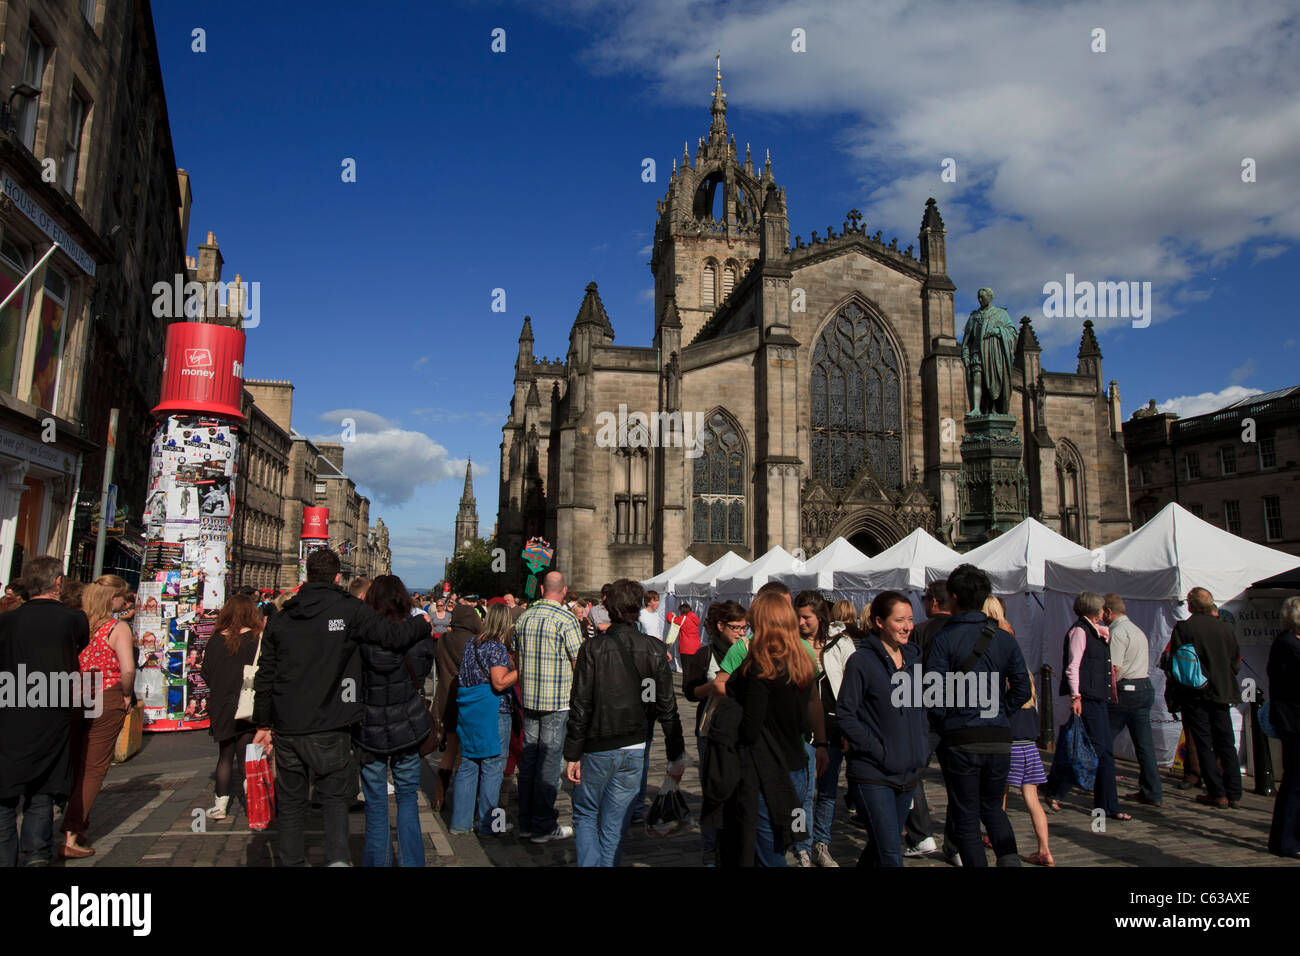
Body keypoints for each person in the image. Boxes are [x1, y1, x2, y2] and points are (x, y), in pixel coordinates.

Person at [251, 549, 432, 867]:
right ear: (337, 577)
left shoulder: (282, 617)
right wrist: (423, 625)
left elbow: (265, 674)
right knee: (335, 799)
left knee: (292, 804)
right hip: (330, 722)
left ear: (306, 574)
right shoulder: (349, 611)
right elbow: (392, 636)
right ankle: (338, 860)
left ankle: (293, 861)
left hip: (289, 724)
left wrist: (263, 724)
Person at [564, 578, 686, 866]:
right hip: (635, 747)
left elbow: (580, 704)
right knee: (615, 822)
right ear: (640, 607)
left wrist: (572, 753)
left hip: (597, 746)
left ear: (607, 606)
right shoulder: (655, 650)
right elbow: (668, 708)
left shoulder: (592, 649)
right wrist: (675, 755)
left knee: (585, 813)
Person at [927, 565, 1030, 867]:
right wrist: (999, 713)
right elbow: (1022, 689)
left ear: (954, 597)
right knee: (994, 809)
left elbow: (932, 694)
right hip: (998, 738)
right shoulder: (1004, 638)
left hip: (961, 738)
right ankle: (1010, 861)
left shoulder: (944, 639)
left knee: (967, 817)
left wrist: (948, 721)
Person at [720, 592, 828, 867]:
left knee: (768, 852)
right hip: (798, 763)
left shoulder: (761, 668)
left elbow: (750, 729)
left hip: (768, 769)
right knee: (781, 842)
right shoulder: (802, 660)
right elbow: (810, 709)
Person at [0, 557, 86, 866]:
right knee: (43, 789)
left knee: (6, 793)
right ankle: (36, 854)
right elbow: (79, 646)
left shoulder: (7, 621)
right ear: (58, 583)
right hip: (53, 710)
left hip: (10, 709)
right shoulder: (73, 620)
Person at [835, 591, 929, 866]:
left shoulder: (913, 661)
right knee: (891, 854)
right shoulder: (861, 662)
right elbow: (845, 714)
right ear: (879, 622)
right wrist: (877, 749)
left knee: (880, 848)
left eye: (910, 619)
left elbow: (920, 710)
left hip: (908, 774)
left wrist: (921, 749)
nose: (908, 626)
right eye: (899, 620)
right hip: (873, 773)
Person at [357, 575, 435, 866]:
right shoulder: (416, 633)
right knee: (406, 797)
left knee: (376, 803)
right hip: (408, 724)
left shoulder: (361, 636)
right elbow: (426, 666)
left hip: (370, 727)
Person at [60, 573, 135, 859]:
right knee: (94, 766)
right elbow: (127, 669)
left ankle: (75, 821)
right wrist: (127, 694)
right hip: (107, 694)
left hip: (77, 694)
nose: (124, 601)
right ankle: (72, 832)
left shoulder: (79, 623)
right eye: (122, 596)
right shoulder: (117, 628)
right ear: (112, 598)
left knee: (77, 761)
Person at [1042, 591, 1127, 820]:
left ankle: (1101, 802)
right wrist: (1076, 696)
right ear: (1093, 610)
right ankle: (1064, 791)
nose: (1103, 612)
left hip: (1098, 697)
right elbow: (1073, 665)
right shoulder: (1080, 631)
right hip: (1087, 698)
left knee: (1091, 749)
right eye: (1101, 609)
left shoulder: (1096, 632)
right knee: (1094, 751)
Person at [514, 570, 584, 843]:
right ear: (563, 591)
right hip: (556, 702)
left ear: (542, 589)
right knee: (550, 764)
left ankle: (526, 822)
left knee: (529, 760)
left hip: (529, 700)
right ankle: (543, 825)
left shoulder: (525, 617)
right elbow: (579, 662)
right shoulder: (566, 619)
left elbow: (517, 658)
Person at [685, 600, 747, 866]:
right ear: (720, 626)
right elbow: (690, 692)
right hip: (710, 729)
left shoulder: (747, 650)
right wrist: (714, 685)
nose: (741, 633)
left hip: (739, 729)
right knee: (713, 793)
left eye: (744, 628)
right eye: (735, 627)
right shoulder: (705, 654)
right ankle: (710, 851)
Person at [1171, 587, 1243, 810]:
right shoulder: (1225, 628)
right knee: (1226, 742)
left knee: (1204, 743)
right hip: (1221, 692)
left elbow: (1176, 664)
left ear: (1191, 605)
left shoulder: (1185, 628)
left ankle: (1217, 792)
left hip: (1196, 693)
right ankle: (1234, 792)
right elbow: (1235, 663)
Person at [451, 604, 518, 836]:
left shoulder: (471, 644)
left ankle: (460, 823)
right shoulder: (496, 648)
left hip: (470, 710)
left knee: (468, 765)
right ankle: (490, 825)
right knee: (493, 767)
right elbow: (499, 682)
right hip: (493, 711)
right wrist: (520, 670)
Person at [200, 593, 263, 821]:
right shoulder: (256, 638)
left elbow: (205, 672)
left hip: (221, 703)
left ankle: (220, 805)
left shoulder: (216, 639)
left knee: (225, 756)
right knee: (247, 756)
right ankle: (255, 806)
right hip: (246, 702)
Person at [803, 590, 852, 867]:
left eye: (806, 617)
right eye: (797, 617)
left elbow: (852, 684)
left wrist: (849, 726)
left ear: (820, 617)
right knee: (805, 790)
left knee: (829, 789)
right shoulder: (793, 644)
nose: (800, 623)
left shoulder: (841, 643)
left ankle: (821, 843)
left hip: (834, 724)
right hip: (803, 727)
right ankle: (803, 844)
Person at [1104, 593, 1162, 807]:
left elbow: (1115, 668)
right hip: (1144, 685)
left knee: (1103, 739)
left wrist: (1107, 690)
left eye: (1103, 613)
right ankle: (1153, 791)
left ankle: (1098, 784)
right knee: (1144, 744)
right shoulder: (1136, 630)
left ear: (1109, 612)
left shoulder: (1117, 632)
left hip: (1126, 689)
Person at [432, 603, 481, 810]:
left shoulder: (443, 641)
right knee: (466, 754)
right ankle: (463, 803)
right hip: (468, 700)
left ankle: (439, 797)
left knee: (450, 749)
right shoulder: (475, 642)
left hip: (445, 700)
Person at [1267, 596, 1300, 858]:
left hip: (1293, 719)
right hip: (1294, 722)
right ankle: (1285, 839)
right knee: (1294, 782)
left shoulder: (1290, 643)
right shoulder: (1288, 645)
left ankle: (1289, 836)